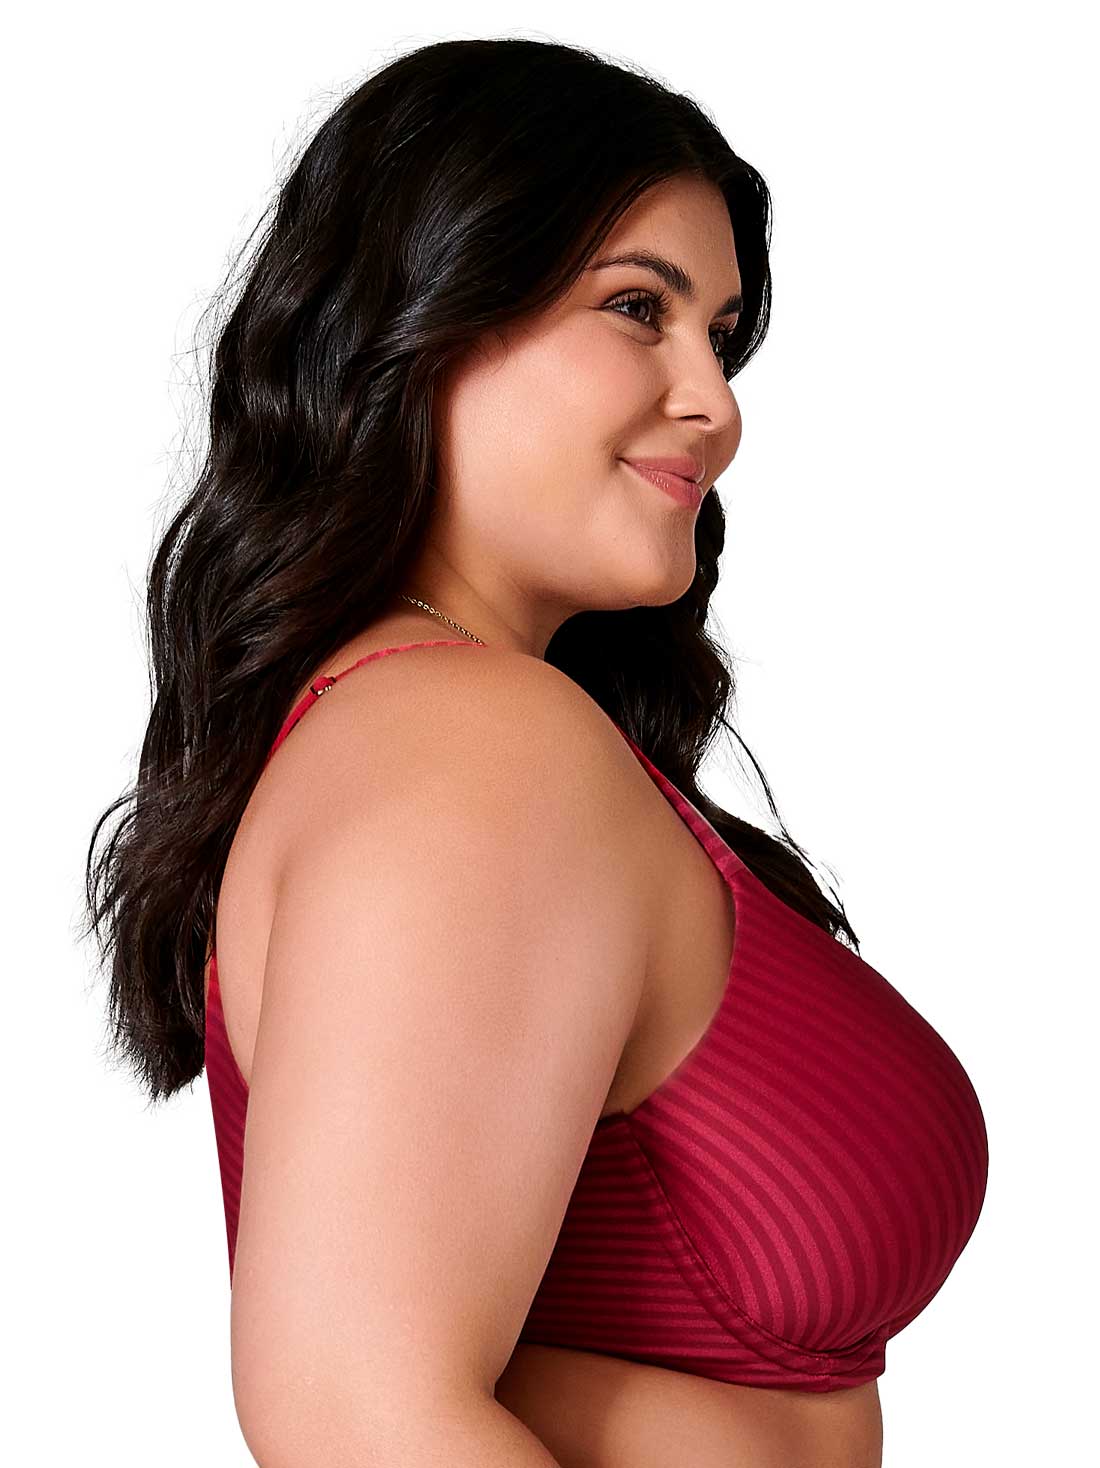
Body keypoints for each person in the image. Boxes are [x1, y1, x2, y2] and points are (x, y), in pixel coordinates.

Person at [84, 36, 988, 1467]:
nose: (718, 405)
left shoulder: (456, 731)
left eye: (721, 335)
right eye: (637, 308)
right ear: (423, 319)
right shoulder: (469, 743)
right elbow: (355, 1416)